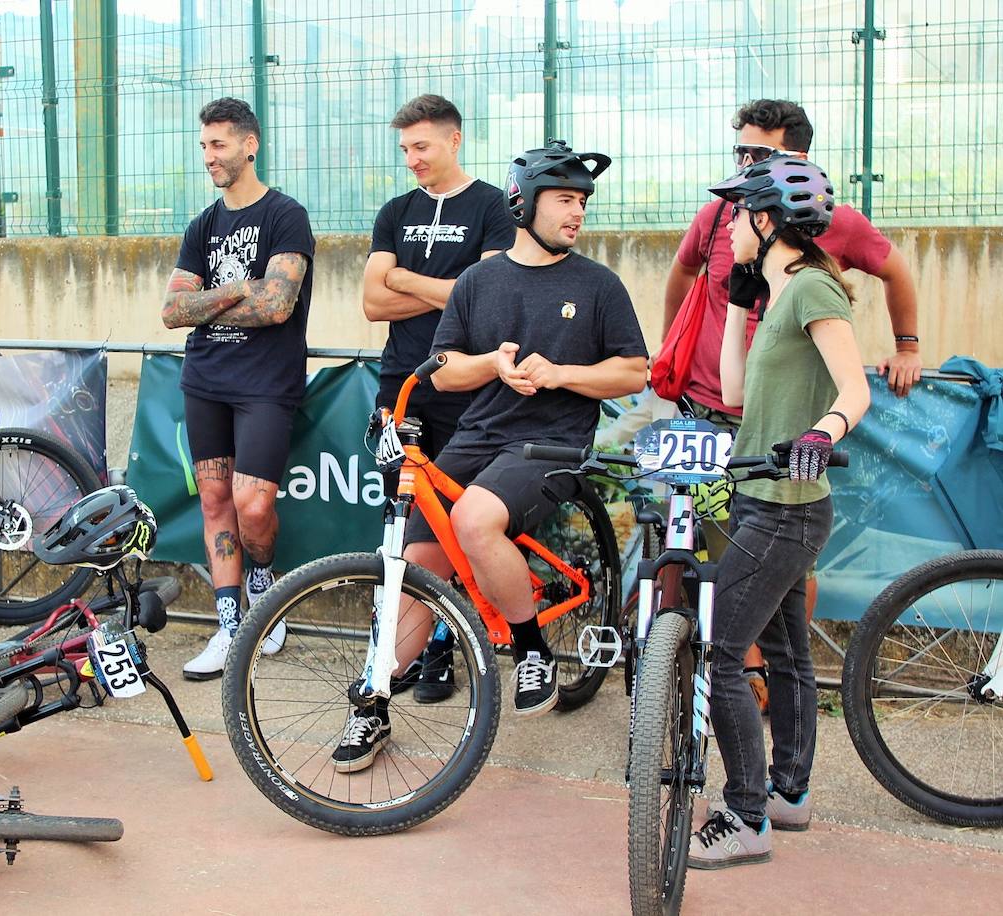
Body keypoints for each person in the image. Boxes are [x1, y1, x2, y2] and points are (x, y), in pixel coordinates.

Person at [332, 141, 648, 772]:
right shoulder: (480, 280)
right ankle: (372, 706)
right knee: (417, 568)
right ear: (524, 203)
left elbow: (634, 371)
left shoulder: (598, 284)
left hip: (553, 441)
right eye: (564, 200)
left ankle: (532, 652)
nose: (577, 212)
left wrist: (561, 375)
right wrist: (493, 365)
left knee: (475, 520)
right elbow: (444, 371)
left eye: (582, 201)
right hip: (477, 435)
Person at [662, 99, 921, 707]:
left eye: (760, 154)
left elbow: (896, 273)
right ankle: (700, 678)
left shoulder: (830, 227)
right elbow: (680, 273)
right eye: (740, 152)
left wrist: (907, 345)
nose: (745, 165)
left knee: (776, 564)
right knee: (692, 540)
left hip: (780, 424)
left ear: (797, 158)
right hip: (711, 409)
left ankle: (766, 681)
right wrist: (669, 353)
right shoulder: (724, 214)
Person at [688, 154, 871, 867]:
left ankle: (744, 815)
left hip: (786, 508)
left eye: (738, 216)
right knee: (789, 652)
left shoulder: (813, 290)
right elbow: (734, 393)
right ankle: (787, 794)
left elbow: (855, 389)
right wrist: (738, 301)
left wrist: (821, 436)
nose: (729, 229)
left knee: (724, 653)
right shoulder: (776, 294)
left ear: (766, 221)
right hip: (764, 498)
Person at [362, 93, 515, 703]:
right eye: (404, 149)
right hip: (402, 387)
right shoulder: (395, 210)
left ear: (455, 140)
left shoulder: (495, 208)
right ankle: (409, 651)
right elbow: (373, 303)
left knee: (460, 525)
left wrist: (401, 276)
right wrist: (447, 290)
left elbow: (484, 298)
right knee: (403, 527)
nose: (412, 159)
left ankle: (448, 647)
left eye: (421, 146)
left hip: (469, 387)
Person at [161, 97, 315, 680]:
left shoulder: (285, 216)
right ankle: (231, 625)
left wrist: (212, 299)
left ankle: (263, 586)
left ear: (250, 145)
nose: (209, 156)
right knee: (214, 501)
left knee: (253, 506)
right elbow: (174, 310)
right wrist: (236, 292)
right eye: (203, 146)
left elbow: (277, 306)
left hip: (266, 385)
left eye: (218, 144)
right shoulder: (203, 223)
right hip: (206, 379)